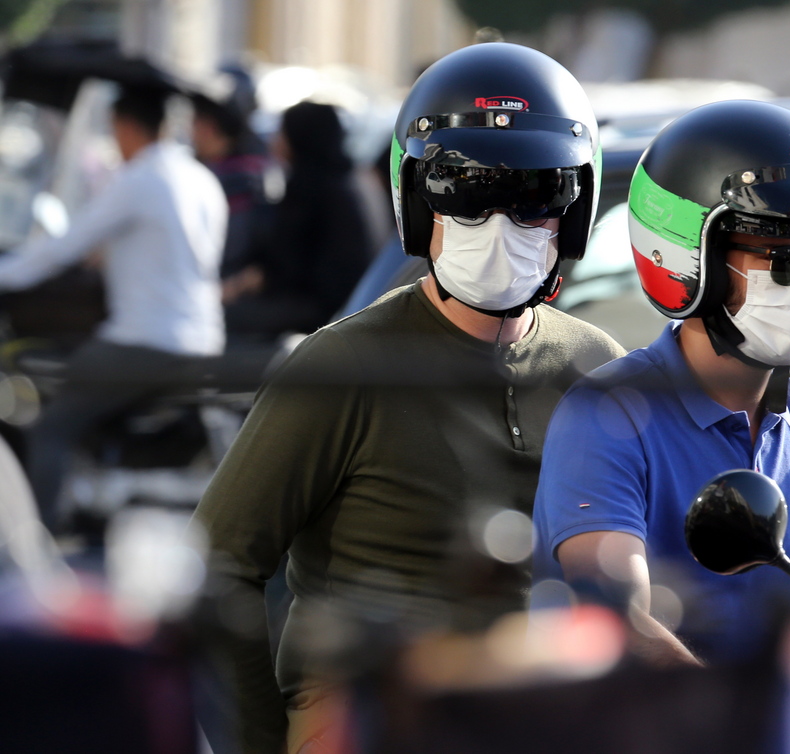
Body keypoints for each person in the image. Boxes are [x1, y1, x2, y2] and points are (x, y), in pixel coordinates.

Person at [192, 43, 624, 754]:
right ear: (420, 205)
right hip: (372, 719)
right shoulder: (345, 366)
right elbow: (218, 564)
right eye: (466, 191)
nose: (500, 224)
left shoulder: (597, 366)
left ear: (573, 211)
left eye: (535, 194)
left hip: (543, 717)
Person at [532, 100, 790, 666]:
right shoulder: (608, 415)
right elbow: (623, 619)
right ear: (697, 261)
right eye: (784, 262)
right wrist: (738, 713)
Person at [0, 85, 226, 530]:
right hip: (204, 338)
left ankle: (37, 541)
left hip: (146, 342)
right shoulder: (201, 178)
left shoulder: (138, 179)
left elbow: (60, 249)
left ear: (124, 126)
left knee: (51, 426)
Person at [222, 101, 373, 340]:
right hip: (326, 303)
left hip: (321, 310)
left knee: (228, 319)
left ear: (301, 136)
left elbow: (292, 266)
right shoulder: (335, 182)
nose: (275, 140)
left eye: (282, 132)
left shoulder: (316, 190)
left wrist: (252, 280)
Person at [191, 65, 270, 279]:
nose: (192, 129)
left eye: (196, 120)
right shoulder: (260, 162)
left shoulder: (240, 175)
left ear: (210, 127)